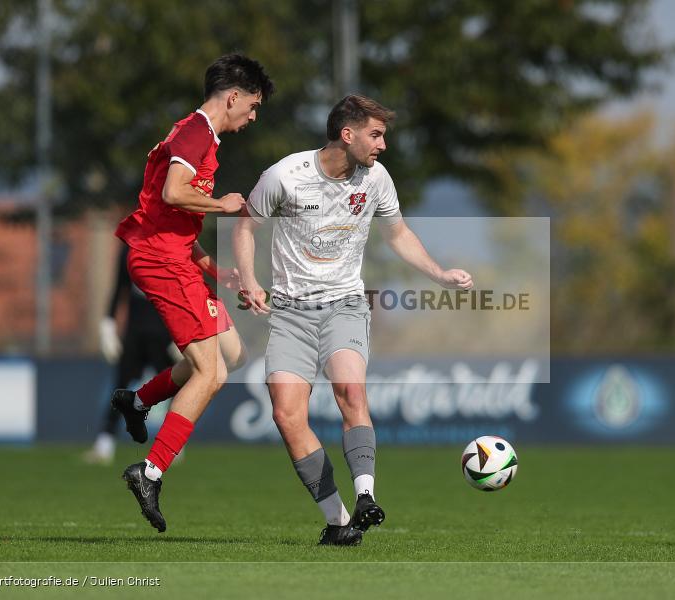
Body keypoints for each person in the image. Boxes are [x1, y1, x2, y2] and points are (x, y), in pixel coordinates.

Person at [234, 95, 474, 545]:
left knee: (350, 391)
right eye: (376, 135)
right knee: (287, 416)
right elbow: (246, 226)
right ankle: (339, 521)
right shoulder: (285, 175)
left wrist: (439, 273)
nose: (383, 145)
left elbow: (398, 233)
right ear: (348, 135)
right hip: (289, 313)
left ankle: (366, 496)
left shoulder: (377, 179)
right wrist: (249, 280)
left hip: (345, 305)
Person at [113, 53, 274, 533]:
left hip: (175, 258)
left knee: (233, 354)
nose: (253, 115)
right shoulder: (196, 132)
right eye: (253, 105)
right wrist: (222, 204)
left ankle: (138, 401)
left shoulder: (200, 136)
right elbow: (173, 193)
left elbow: (175, 217)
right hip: (161, 263)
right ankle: (151, 470)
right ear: (233, 96)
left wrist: (211, 266)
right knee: (210, 374)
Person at [84, 244, 179, 465]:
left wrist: (181, 332)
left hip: (164, 330)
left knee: (175, 386)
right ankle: (104, 444)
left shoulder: (169, 244)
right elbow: (119, 287)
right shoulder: (129, 246)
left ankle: (173, 444)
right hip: (134, 332)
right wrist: (107, 324)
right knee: (121, 387)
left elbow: (180, 290)